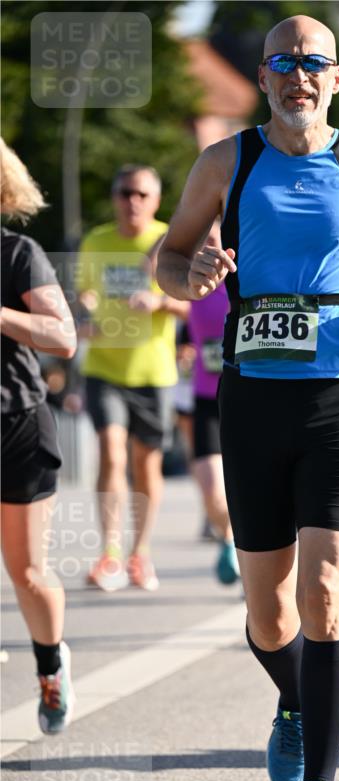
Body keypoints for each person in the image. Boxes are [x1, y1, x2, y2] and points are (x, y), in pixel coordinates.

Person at [157, 14, 339, 781]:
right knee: (268, 616)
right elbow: (170, 257)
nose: (298, 77)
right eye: (282, 64)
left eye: (313, 64)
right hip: (255, 395)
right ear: (263, 79)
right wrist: (189, 271)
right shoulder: (224, 162)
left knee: (326, 592)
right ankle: (295, 700)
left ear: (335, 79)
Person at [77, 165, 189, 592]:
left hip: (154, 372)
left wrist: (160, 304)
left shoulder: (171, 240)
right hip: (104, 366)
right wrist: (84, 311)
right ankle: (108, 555)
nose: (133, 202)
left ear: (156, 201)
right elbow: (84, 294)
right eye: (125, 193)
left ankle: (139, 555)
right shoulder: (96, 241)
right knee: (110, 452)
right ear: (114, 197)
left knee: (146, 465)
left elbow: (194, 305)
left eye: (142, 194)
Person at [0, 138, 77, 733]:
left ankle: (50, 666)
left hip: (17, 423)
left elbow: (61, 336)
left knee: (27, 572)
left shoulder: (18, 254)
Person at [188, 275, 240, 583]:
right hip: (207, 399)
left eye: (214, 238)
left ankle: (251, 553)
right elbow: (151, 264)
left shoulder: (246, 276)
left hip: (248, 394)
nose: (208, 245)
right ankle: (230, 538)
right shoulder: (191, 279)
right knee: (212, 491)